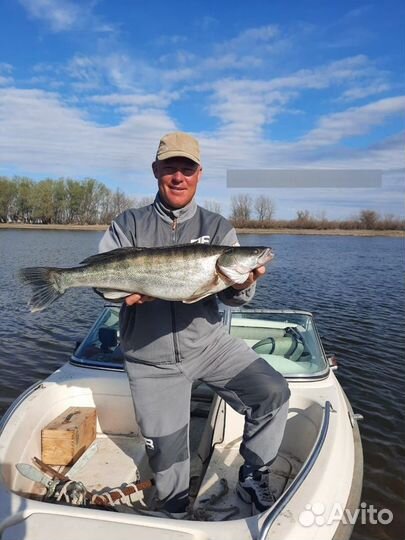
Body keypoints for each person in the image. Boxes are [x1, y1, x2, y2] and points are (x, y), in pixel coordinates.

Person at [99, 132, 290, 518]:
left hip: (209, 346)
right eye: (170, 167)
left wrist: (244, 284)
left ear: (199, 174)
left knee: (271, 392)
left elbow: (233, 296)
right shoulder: (128, 223)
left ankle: (254, 475)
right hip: (149, 359)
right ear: (156, 171)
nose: (178, 176)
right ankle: (173, 511)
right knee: (169, 468)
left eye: (187, 168)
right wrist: (116, 292)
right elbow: (104, 281)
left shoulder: (217, 227)